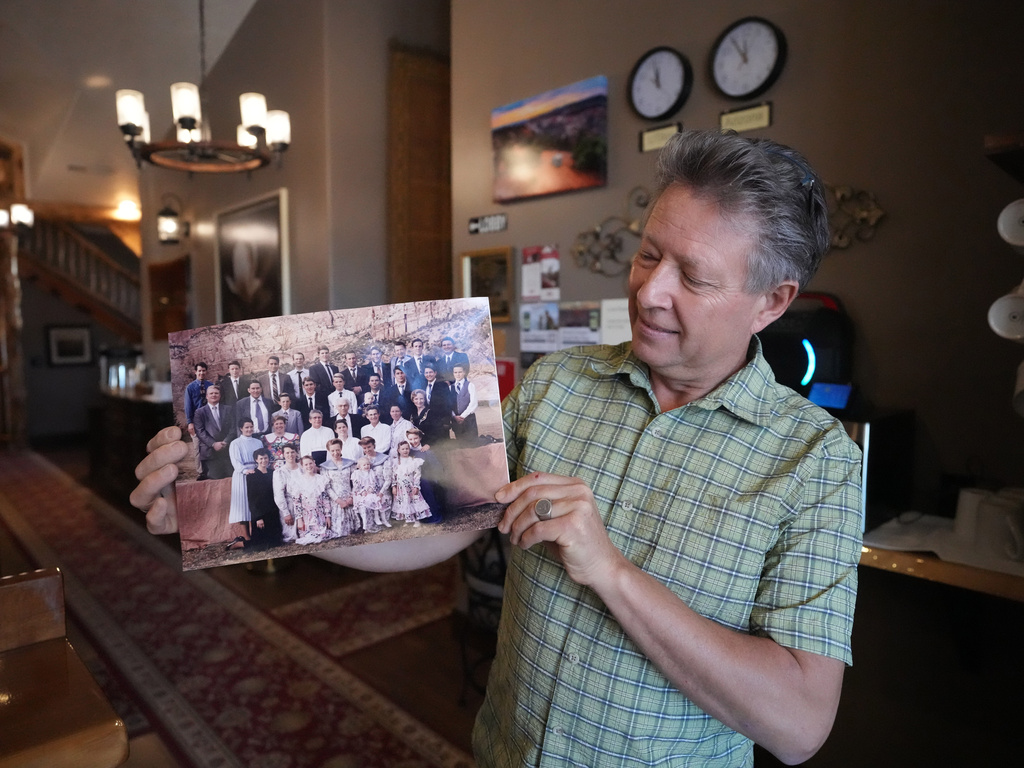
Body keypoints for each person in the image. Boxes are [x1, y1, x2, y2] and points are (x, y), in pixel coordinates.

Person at [130, 130, 861, 767]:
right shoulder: (558, 384)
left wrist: (609, 572)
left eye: (693, 277)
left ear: (772, 301)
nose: (650, 291)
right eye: (647, 254)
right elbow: (429, 527)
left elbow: (798, 727)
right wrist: (242, 504)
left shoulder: (819, 464)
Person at [226, 418, 263, 549]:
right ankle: (246, 538)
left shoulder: (258, 442)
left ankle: (255, 536)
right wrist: (246, 470)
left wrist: (259, 470)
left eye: (251, 427)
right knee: (244, 506)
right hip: (242, 476)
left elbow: (262, 457)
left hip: (256, 475)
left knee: (255, 505)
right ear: (241, 428)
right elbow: (236, 462)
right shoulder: (235, 443)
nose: (249, 430)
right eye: (246, 427)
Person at [290, 455, 340, 545]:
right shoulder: (298, 481)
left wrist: (327, 516)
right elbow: (297, 503)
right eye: (306, 464)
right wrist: (299, 520)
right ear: (302, 466)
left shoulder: (321, 479)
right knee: (308, 537)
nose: (309, 466)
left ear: (314, 463)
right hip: (306, 516)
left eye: (310, 463)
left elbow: (325, 500)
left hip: (319, 514)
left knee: (322, 535)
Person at [192, 384, 233, 480]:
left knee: (230, 478)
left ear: (220, 395)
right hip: (210, 453)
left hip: (227, 451)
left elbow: (233, 428)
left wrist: (226, 441)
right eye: (211, 393)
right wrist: (213, 444)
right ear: (207, 396)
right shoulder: (200, 412)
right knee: (214, 479)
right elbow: (200, 431)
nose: (214, 395)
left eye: (216, 393)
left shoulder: (228, 409)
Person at [246, 448, 282, 550]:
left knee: (276, 543)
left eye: (265, 458)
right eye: (261, 459)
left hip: (272, 512)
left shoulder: (272, 473)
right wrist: (258, 518)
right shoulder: (251, 476)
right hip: (260, 513)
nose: (264, 461)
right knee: (259, 546)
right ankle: (238, 543)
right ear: (256, 460)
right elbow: (251, 498)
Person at [389, 440, 431, 527]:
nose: (405, 451)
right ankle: (407, 519)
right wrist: (394, 486)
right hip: (400, 487)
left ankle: (417, 520)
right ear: (398, 450)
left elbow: (417, 474)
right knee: (404, 502)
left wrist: (416, 486)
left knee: (414, 502)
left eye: (407, 449)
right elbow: (394, 475)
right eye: (403, 449)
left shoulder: (413, 461)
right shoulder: (395, 462)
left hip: (410, 486)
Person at [319, 439, 356, 537]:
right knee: (339, 532)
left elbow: (356, 482)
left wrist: (351, 497)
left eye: (337, 450)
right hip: (336, 501)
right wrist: (339, 500)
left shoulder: (350, 464)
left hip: (349, 498)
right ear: (329, 451)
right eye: (332, 451)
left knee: (354, 531)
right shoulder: (325, 467)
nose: (335, 453)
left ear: (341, 449)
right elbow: (327, 487)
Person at [272, 443, 302, 544]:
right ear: (283, 455)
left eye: (292, 452)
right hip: (289, 505)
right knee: (291, 536)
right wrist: (286, 513)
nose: (290, 455)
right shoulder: (280, 472)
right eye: (287, 453)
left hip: (304, 504)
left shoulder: (302, 468)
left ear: (296, 453)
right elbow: (278, 494)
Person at [183, 361, 211, 440]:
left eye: (204, 370)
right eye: (199, 371)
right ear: (195, 372)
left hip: (209, 418)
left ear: (206, 372)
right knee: (197, 443)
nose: (201, 373)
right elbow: (188, 405)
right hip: (197, 419)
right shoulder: (190, 388)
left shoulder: (211, 385)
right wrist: (190, 422)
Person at [449, 363, 478, 440]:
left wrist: (462, 416)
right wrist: (454, 416)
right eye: (455, 372)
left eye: (460, 372)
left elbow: (473, 403)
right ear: (453, 373)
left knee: (473, 444)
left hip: (469, 420)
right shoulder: (450, 388)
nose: (458, 374)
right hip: (456, 421)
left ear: (464, 372)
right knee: (461, 444)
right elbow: (448, 405)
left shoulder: (470, 385)